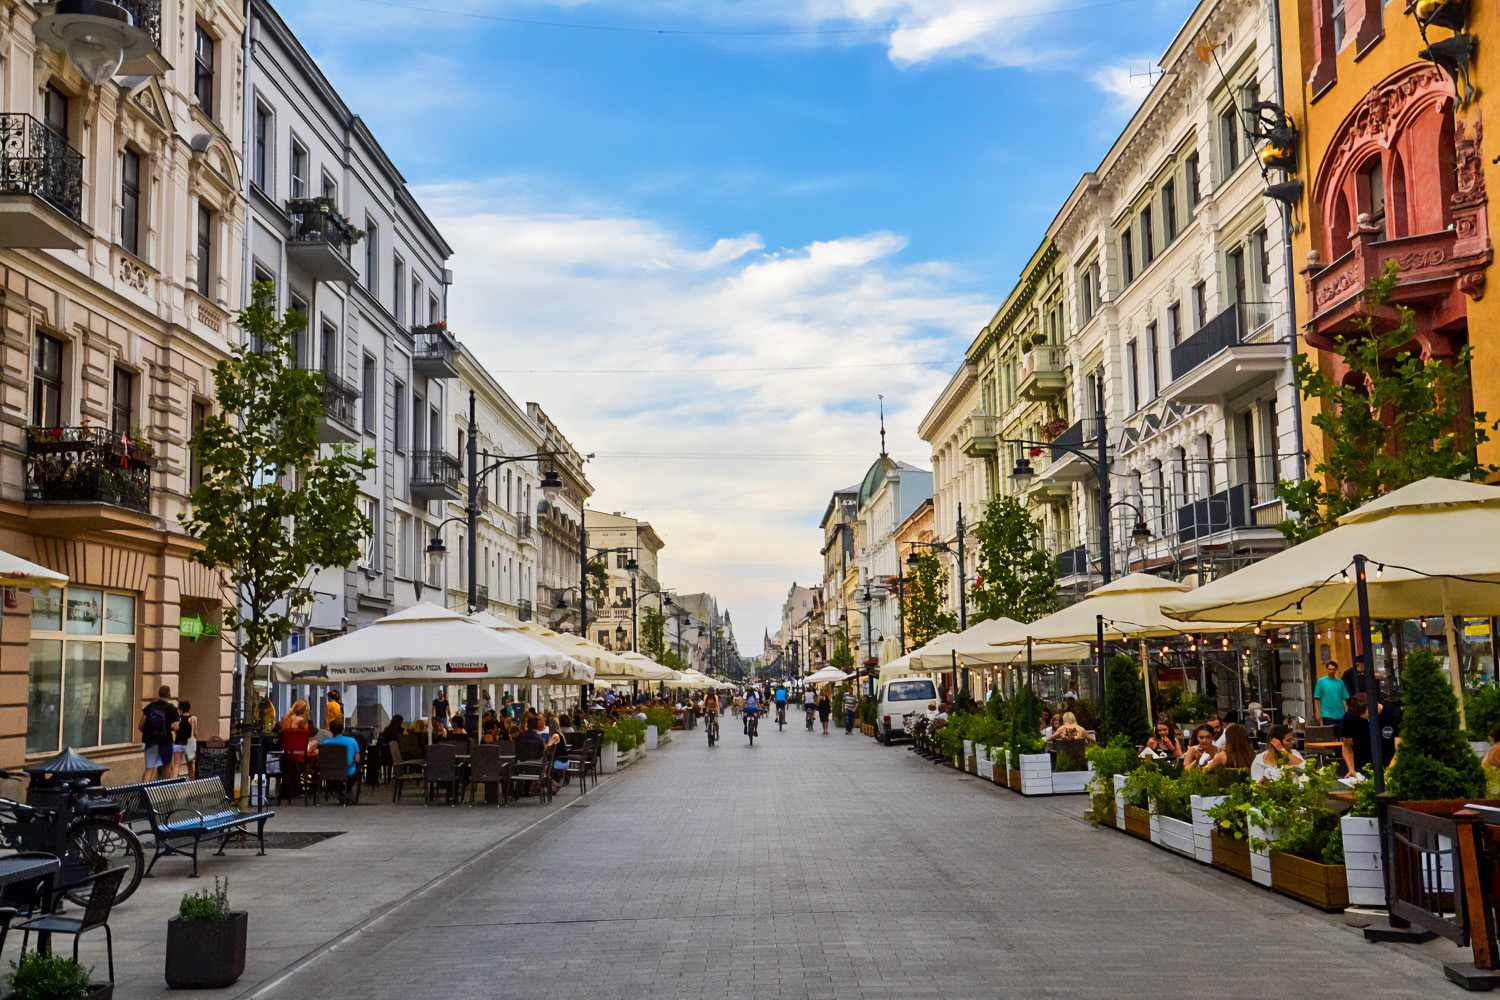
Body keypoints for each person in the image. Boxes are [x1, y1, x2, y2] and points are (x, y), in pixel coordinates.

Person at [1342, 692, 1402, 777]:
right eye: (1365, 717)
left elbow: (1399, 746)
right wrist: (1351, 769)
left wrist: (1390, 770)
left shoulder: (1393, 713)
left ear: (1376, 705)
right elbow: (1347, 745)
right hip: (1362, 765)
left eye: (1370, 715)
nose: (1368, 719)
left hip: (1388, 761)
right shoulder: (1350, 717)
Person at [139, 685, 180, 780]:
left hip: (151, 742)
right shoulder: (171, 708)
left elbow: (140, 726)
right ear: (169, 695)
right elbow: (176, 727)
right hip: (166, 742)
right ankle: (166, 793)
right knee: (166, 768)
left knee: (149, 770)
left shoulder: (150, 707)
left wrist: (150, 734)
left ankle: (143, 791)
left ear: (159, 694)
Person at [319, 720, 361, 805]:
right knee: (357, 771)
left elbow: (321, 759)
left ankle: (338, 792)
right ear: (342, 730)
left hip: (330, 773)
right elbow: (357, 759)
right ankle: (348, 793)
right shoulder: (352, 741)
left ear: (330, 731)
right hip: (348, 772)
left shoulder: (325, 743)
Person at [1313, 659, 1348, 728]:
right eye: (1330, 669)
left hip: (1340, 713)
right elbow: (1316, 698)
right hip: (1327, 713)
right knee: (1330, 733)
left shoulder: (1340, 682)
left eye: (1334, 669)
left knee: (1340, 733)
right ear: (1327, 669)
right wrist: (1317, 713)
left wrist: (1346, 711)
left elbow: (1344, 699)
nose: (1332, 671)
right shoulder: (1321, 682)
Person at [173, 699, 198, 778]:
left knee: (176, 765)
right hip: (188, 744)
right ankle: (192, 781)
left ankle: (174, 780)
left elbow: (174, 729)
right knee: (190, 764)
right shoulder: (193, 719)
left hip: (178, 743)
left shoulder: (178, 719)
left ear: (181, 709)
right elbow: (195, 732)